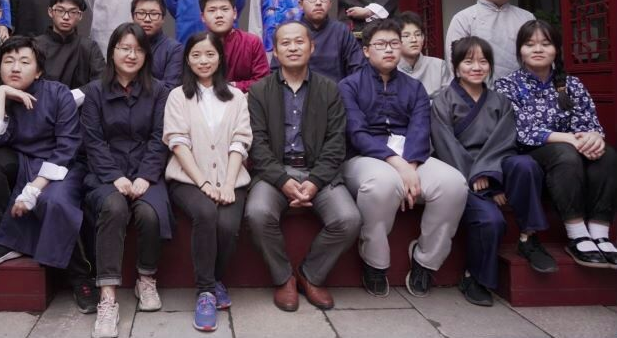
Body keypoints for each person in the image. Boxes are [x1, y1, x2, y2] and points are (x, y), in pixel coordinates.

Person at [338, 19, 468, 298]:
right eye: (381, 44)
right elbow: (356, 133)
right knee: (382, 184)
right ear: (366, 51)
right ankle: (375, 261)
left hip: (412, 155)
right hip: (364, 157)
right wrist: (398, 166)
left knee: (453, 184)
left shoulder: (414, 87)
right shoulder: (349, 86)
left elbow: (420, 129)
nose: (389, 49)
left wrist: (411, 165)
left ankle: (426, 260)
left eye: (394, 44)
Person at [245, 21, 361, 312]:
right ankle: (284, 277)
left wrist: (315, 181)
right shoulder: (259, 91)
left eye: (299, 41)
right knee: (257, 213)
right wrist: (282, 180)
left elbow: (336, 142)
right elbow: (257, 144)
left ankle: (311, 274)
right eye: (285, 43)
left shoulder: (330, 89)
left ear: (312, 47)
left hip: (317, 172)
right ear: (275, 51)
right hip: (274, 173)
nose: (293, 48)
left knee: (348, 219)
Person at [432, 36, 556, 307]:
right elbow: (445, 145)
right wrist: (476, 176)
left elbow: (504, 141)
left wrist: (492, 178)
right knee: (491, 221)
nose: (477, 67)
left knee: (526, 164)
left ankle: (529, 236)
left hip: (495, 168)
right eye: (468, 61)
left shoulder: (500, 101)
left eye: (483, 61)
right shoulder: (442, 101)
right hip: (461, 173)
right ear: (456, 66)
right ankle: (473, 277)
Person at [495, 20, 617, 268]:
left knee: (607, 154)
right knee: (565, 153)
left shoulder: (572, 84)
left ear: (556, 50)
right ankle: (577, 234)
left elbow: (587, 121)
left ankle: (599, 232)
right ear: (520, 50)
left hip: (571, 149)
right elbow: (523, 131)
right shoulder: (507, 85)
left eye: (546, 43)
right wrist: (570, 138)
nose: (538, 49)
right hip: (532, 152)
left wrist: (594, 136)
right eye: (530, 44)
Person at [81, 23, 171, 338]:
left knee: (149, 212)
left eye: (138, 49)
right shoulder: (95, 91)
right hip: (106, 172)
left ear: (146, 55)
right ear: (112, 52)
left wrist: (146, 175)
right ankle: (107, 298)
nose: (131, 55)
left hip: (147, 171)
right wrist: (115, 176)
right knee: (114, 208)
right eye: (124, 48)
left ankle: (146, 279)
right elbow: (93, 141)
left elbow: (160, 137)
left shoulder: (159, 90)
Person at [0, 37, 86, 275]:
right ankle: (2, 237)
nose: (15, 68)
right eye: (8, 61)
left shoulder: (58, 93)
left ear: (38, 71)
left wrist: (34, 188)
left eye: (24, 62)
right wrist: (2, 92)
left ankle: (78, 276)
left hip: (59, 166)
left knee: (53, 202)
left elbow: (67, 146)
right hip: (22, 163)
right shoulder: (1, 96)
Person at [162, 31, 252, 331]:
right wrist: (204, 184)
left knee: (228, 225)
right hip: (188, 180)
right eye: (196, 55)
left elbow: (240, 141)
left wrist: (227, 184)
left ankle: (214, 280)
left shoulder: (236, 97)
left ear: (220, 58)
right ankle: (205, 292)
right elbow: (178, 143)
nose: (203, 60)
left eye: (210, 54)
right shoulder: (178, 96)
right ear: (187, 60)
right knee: (206, 212)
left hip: (230, 178)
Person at [445, 0, 534, 80]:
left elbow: (538, 55)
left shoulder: (526, 17)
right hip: (477, 87)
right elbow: (453, 59)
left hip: (521, 87)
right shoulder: (463, 18)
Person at [270, 0, 364, 83]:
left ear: (330, 3)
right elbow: (275, 72)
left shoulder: (341, 30)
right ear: (301, 4)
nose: (318, 3)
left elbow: (358, 68)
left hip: (335, 90)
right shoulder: (289, 31)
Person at [34, 0, 105, 107]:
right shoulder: (35, 45)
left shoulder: (89, 47)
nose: (66, 17)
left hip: (81, 111)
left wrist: (70, 97)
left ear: (80, 15)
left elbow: (102, 80)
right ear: (50, 12)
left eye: (72, 12)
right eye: (60, 10)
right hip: (42, 108)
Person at [199, 0, 269, 93]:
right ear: (203, 17)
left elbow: (263, 81)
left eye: (224, 9)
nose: (219, 15)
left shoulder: (251, 42)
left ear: (235, 13)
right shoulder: (197, 45)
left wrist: (233, 86)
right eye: (212, 10)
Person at [131, 0, 183, 89]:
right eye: (141, 13)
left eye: (154, 14)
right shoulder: (123, 45)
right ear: (133, 16)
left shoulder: (174, 49)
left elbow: (170, 89)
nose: (147, 19)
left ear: (163, 18)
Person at [397, 11, 451, 99]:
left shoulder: (439, 65)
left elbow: (448, 100)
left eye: (418, 34)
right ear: (396, 41)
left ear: (423, 38)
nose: (414, 40)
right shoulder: (390, 69)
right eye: (406, 36)